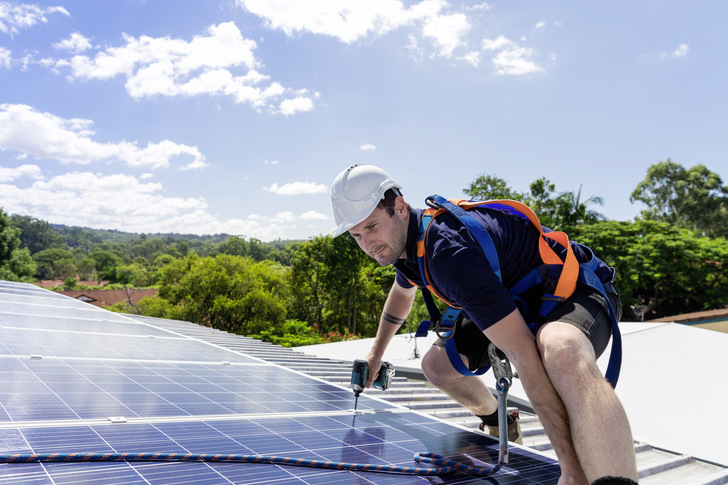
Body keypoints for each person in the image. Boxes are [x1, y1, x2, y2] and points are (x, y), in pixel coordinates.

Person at [330, 164, 638, 485]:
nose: (368, 243)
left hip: (573, 291)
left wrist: (570, 468)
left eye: (373, 227)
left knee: (559, 349)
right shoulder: (407, 246)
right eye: (357, 235)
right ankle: (498, 420)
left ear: (400, 207)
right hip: (515, 298)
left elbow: (523, 355)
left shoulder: (447, 253)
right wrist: (375, 354)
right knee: (437, 367)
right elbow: (401, 293)